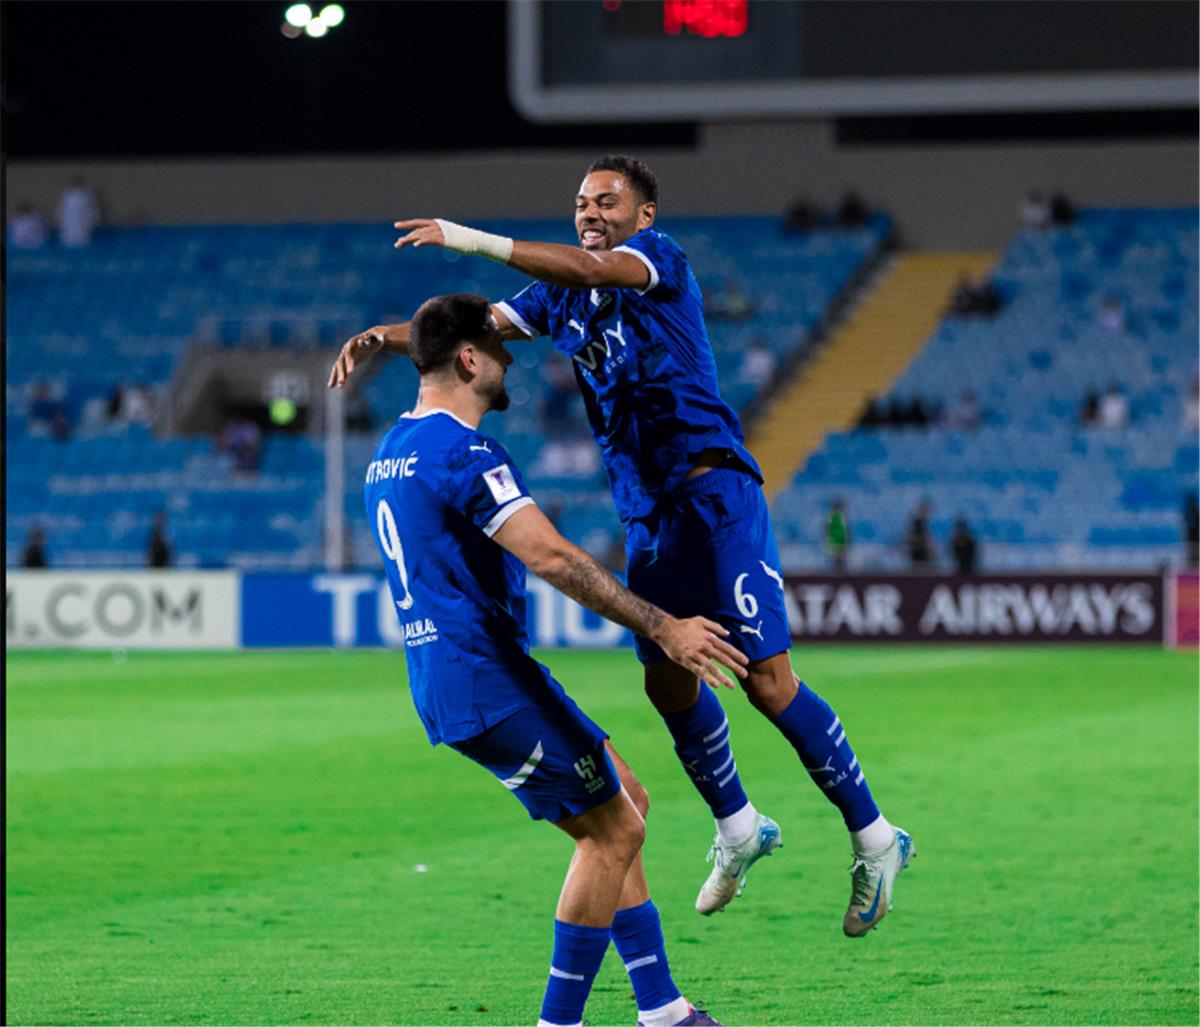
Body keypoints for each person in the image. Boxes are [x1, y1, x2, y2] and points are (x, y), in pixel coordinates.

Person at [330, 155, 914, 934]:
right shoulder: (560, 297)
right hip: (649, 513)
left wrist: (468, 239)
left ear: (644, 215)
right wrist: (386, 337)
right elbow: (463, 338)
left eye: (606, 200)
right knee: (667, 680)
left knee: (769, 681)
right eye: (579, 201)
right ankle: (739, 828)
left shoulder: (658, 261)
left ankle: (876, 838)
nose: (589, 211)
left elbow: (586, 264)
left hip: (715, 497)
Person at [366, 295, 741, 1026]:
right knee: (615, 831)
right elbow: (555, 560)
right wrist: (662, 626)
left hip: (463, 672)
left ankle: (662, 1006)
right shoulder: (466, 452)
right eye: (499, 350)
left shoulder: (391, 450)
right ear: (470, 359)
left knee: (624, 798)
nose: (510, 362)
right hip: (483, 676)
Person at [56, 176, 101, 247]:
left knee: (81, 241)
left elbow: (91, 211)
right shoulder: (67, 195)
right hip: (68, 228)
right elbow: (61, 211)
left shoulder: (87, 195)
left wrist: (93, 222)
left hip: (83, 228)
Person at [905, 500, 934, 571]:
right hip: (918, 552)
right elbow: (912, 538)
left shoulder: (921, 523)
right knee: (920, 571)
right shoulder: (917, 523)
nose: (928, 514)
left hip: (920, 552)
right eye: (926, 511)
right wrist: (927, 545)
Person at [826, 500, 850, 572]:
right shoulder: (839, 516)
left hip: (835, 543)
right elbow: (844, 531)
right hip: (839, 543)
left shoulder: (831, 516)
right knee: (839, 563)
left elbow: (827, 531)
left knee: (837, 563)